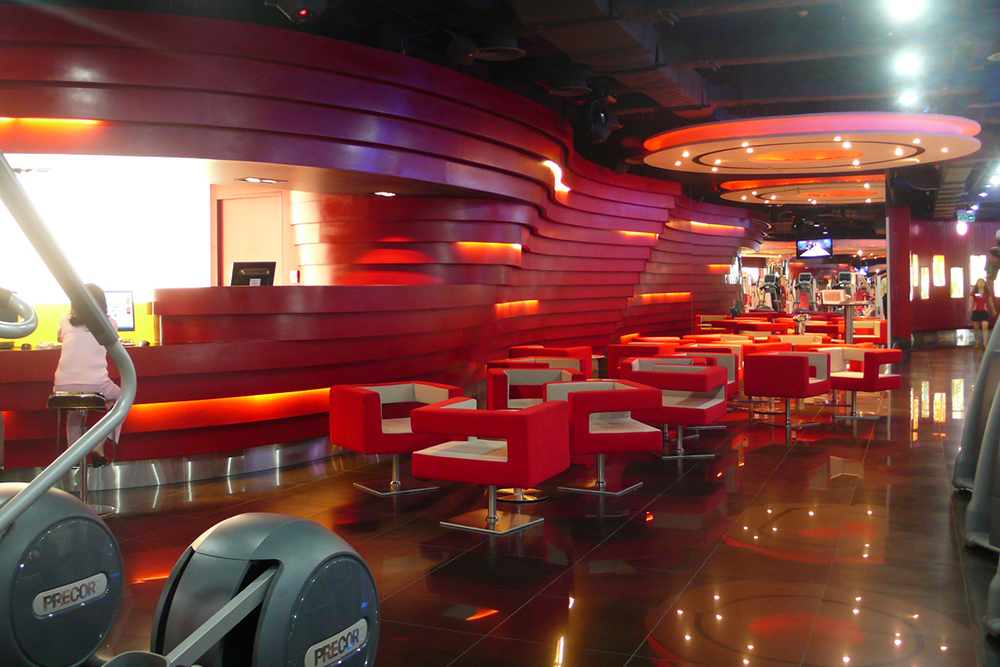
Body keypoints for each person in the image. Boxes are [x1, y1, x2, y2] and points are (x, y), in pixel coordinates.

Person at [52, 283, 121, 466]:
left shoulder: (65, 320)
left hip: (62, 387)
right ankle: (99, 443)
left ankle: (73, 458)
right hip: (97, 384)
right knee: (123, 398)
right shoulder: (110, 323)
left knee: (74, 412)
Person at [970, 277, 996, 350]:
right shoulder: (974, 292)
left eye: (982, 282)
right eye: (979, 282)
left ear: (985, 284)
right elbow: (970, 300)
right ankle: (977, 342)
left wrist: (993, 310)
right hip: (976, 311)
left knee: (985, 327)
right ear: (977, 284)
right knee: (976, 327)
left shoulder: (987, 293)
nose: (981, 283)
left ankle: (985, 343)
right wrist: (970, 306)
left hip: (985, 311)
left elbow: (990, 301)